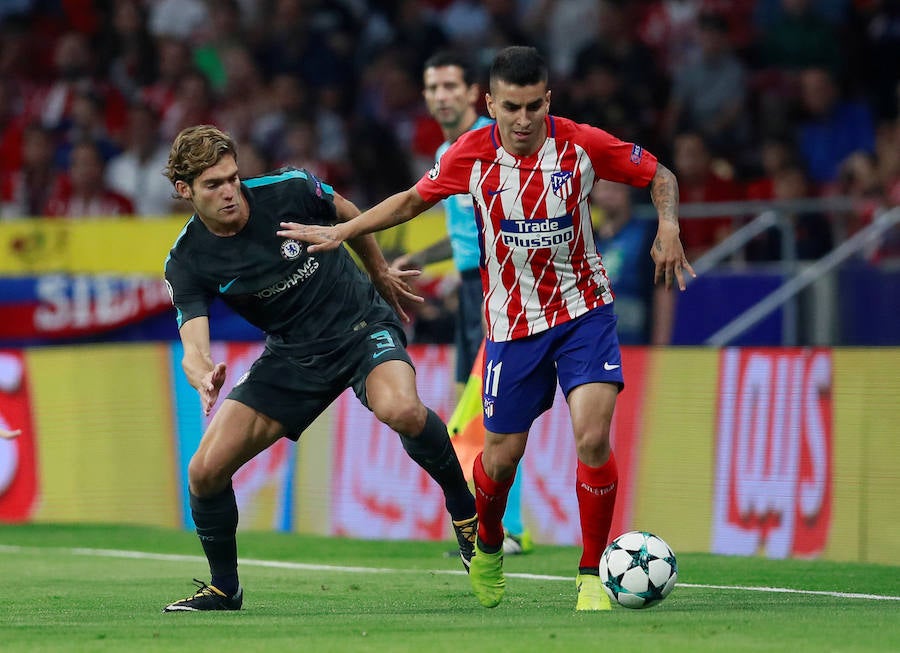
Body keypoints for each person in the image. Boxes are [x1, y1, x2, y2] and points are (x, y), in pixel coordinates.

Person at [277, 46, 694, 611]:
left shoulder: (581, 143)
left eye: (533, 107)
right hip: (512, 326)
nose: (523, 120)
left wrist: (668, 226)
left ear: (547, 101)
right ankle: (490, 542)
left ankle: (591, 574)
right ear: (491, 104)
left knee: (593, 438)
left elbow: (660, 174)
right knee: (499, 459)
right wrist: (342, 233)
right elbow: (410, 201)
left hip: (584, 312)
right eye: (511, 108)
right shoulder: (469, 154)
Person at [161, 125, 477, 612]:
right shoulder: (187, 259)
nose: (229, 192)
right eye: (213, 185)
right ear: (185, 190)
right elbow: (193, 347)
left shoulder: (287, 189)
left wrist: (378, 271)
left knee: (402, 410)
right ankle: (225, 588)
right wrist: (203, 374)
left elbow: (345, 211)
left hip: (360, 325)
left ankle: (466, 513)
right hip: (293, 356)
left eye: (232, 178)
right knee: (204, 471)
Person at [395, 51, 533, 556]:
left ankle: (510, 529)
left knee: (493, 412)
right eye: (434, 88)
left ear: (475, 93)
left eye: (451, 86)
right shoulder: (448, 150)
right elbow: (463, 237)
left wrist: (498, 285)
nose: (442, 96)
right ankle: (486, 525)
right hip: (472, 290)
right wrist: (421, 258)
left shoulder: (492, 141)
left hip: (497, 289)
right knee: (468, 408)